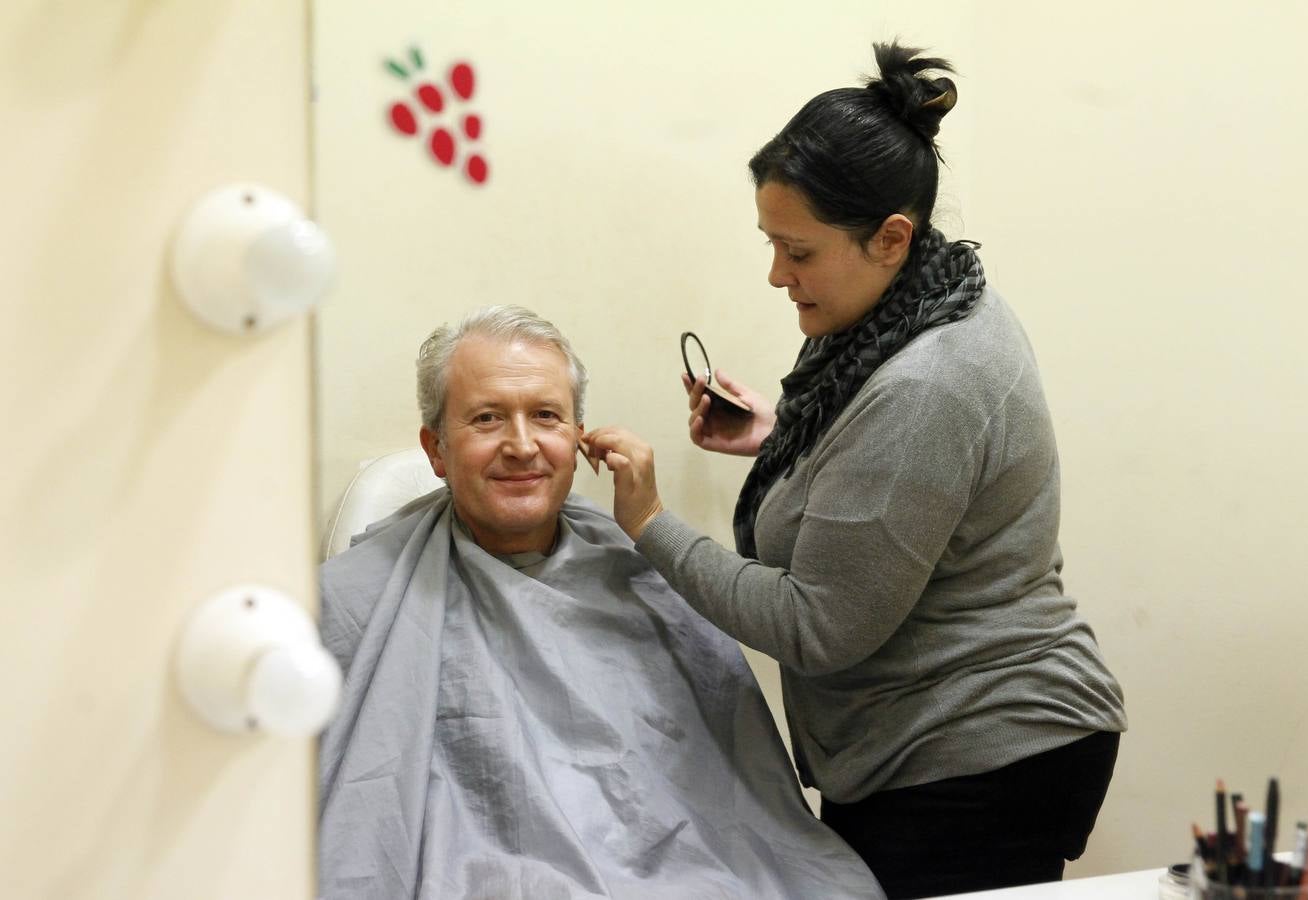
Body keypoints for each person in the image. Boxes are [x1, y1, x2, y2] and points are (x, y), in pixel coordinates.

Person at [585, 42, 1128, 899]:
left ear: (891, 237)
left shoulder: (931, 382)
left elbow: (816, 625)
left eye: (797, 252)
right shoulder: (934, 293)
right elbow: (896, 481)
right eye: (770, 244)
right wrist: (784, 438)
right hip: (938, 746)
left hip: (976, 759)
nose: (776, 275)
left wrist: (651, 524)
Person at [316, 306, 883, 899]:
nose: (521, 444)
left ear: (578, 438)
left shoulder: (648, 576)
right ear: (436, 450)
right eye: (486, 419)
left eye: (546, 416)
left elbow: (737, 805)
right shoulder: (356, 601)